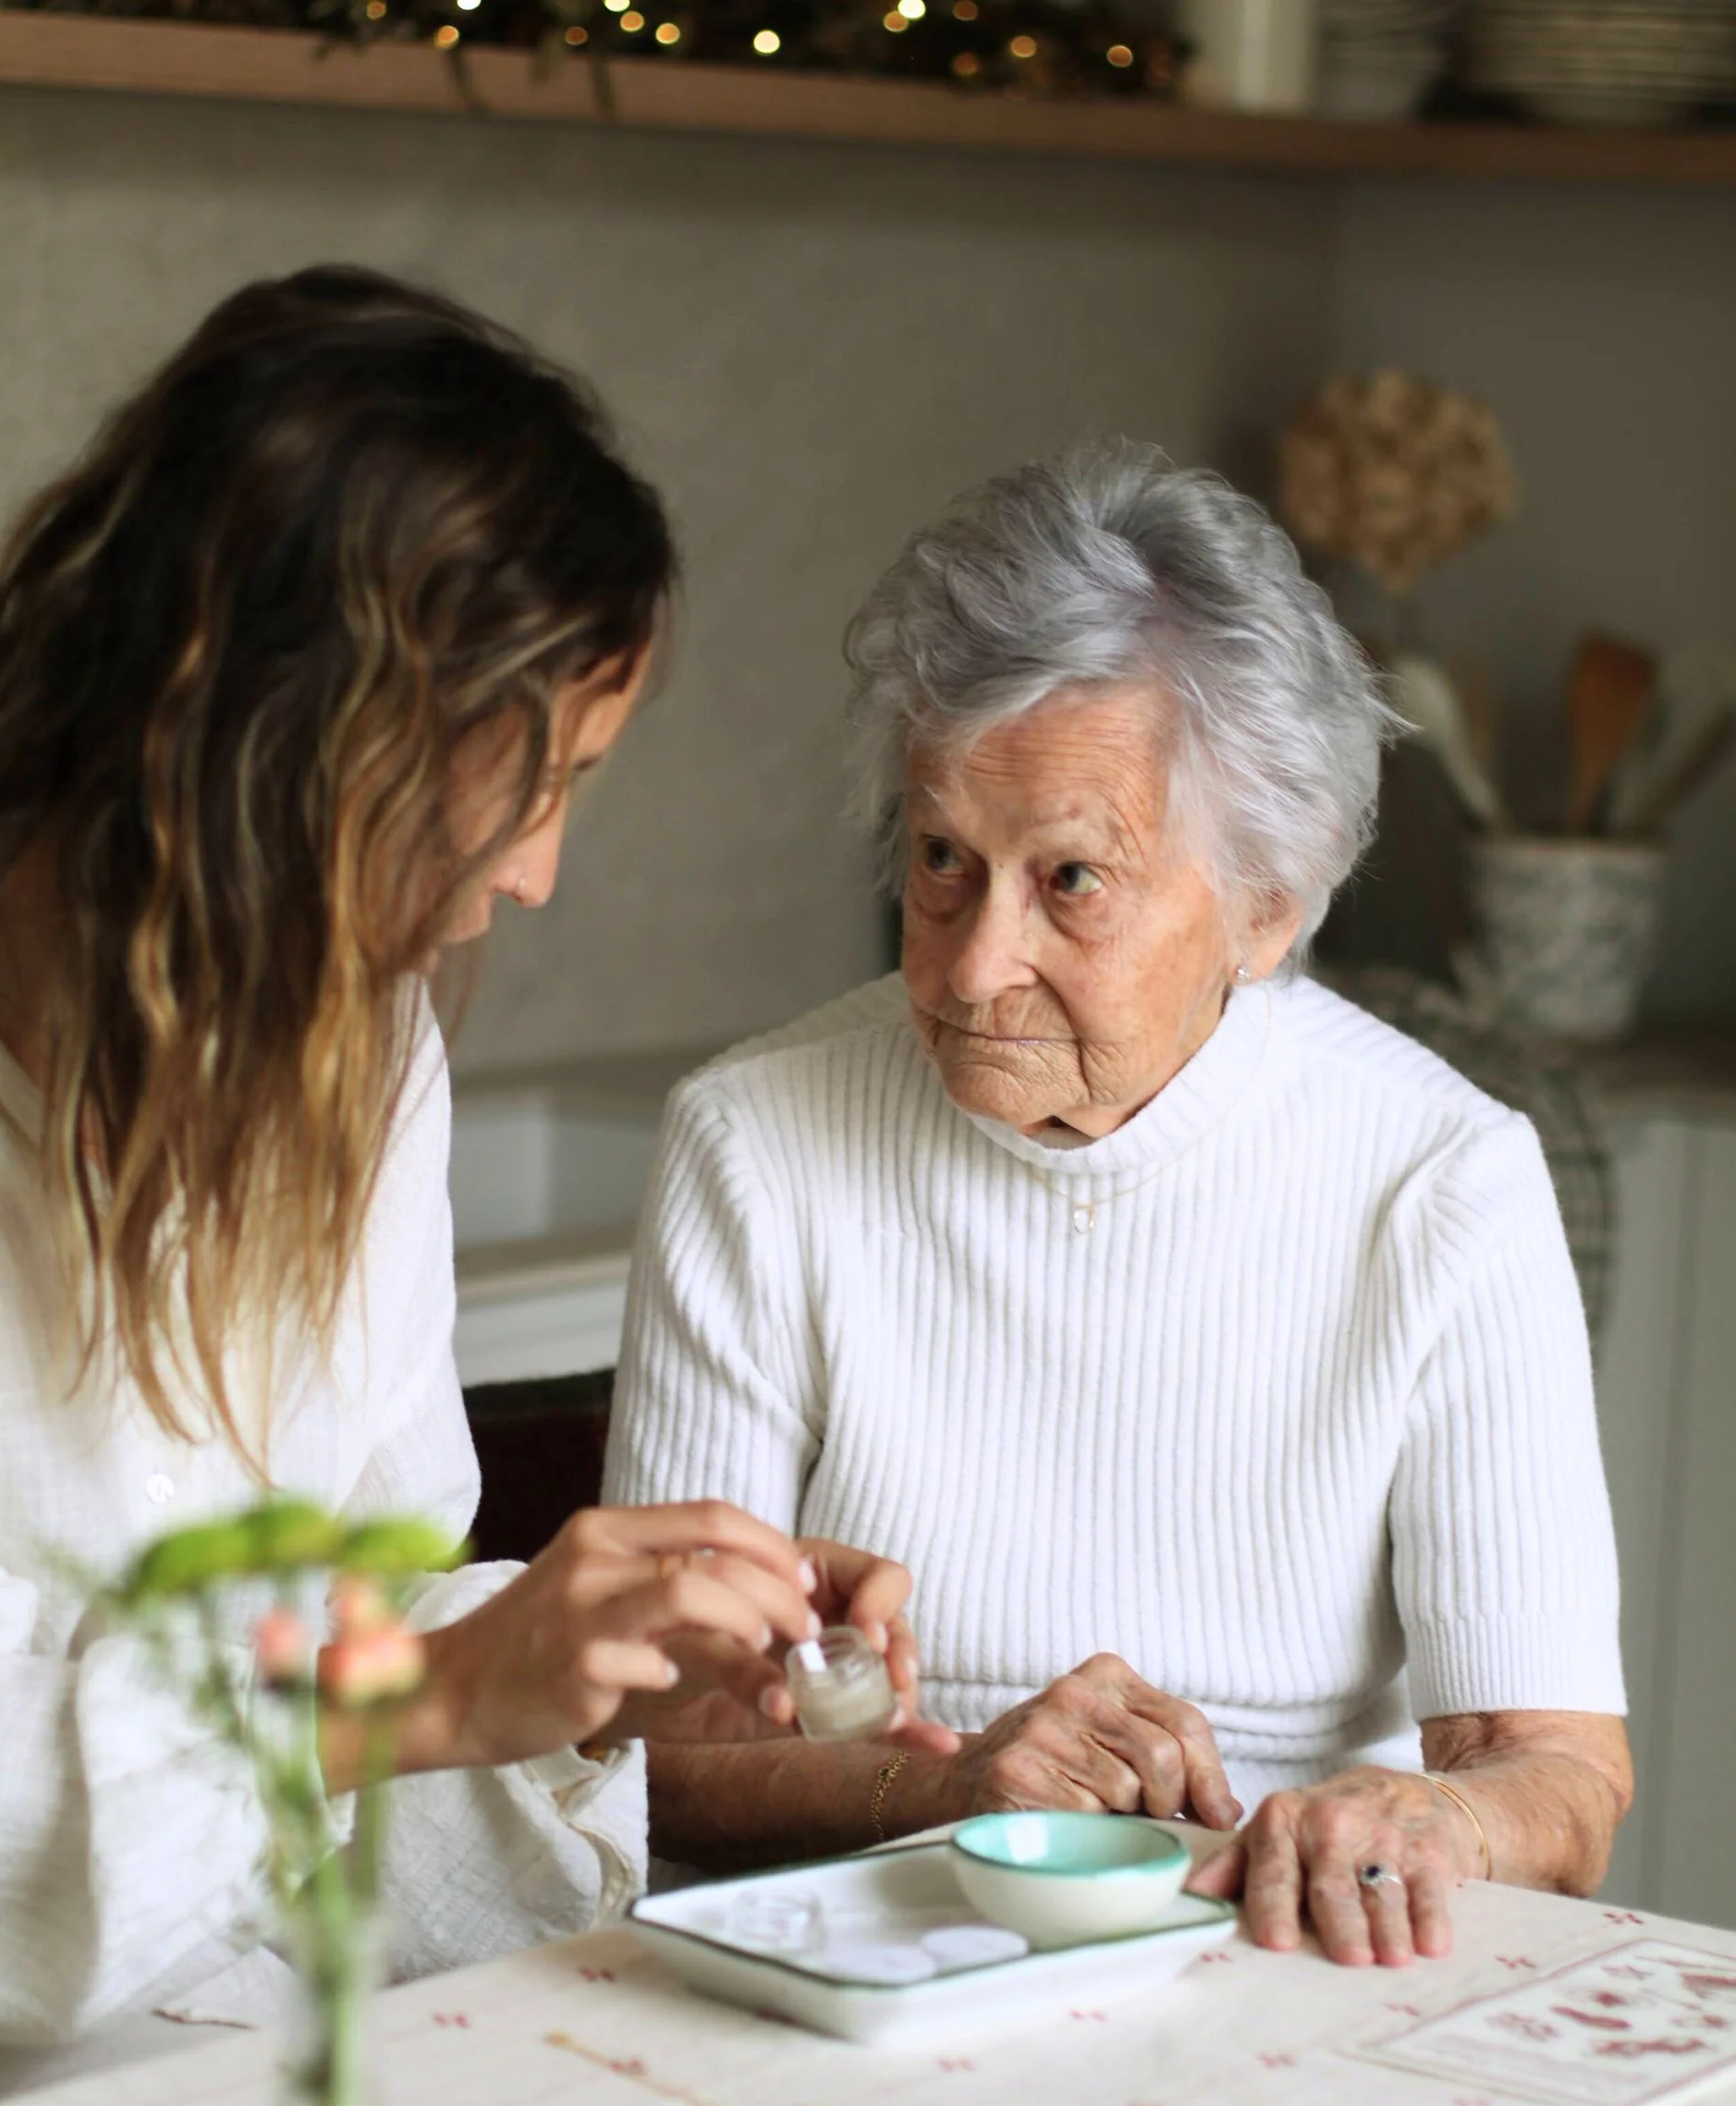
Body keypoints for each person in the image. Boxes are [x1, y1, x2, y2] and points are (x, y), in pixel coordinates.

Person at [0, 267, 936, 2106]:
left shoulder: (363, 1056)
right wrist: (431, 1688)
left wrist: (591, 1670)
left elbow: (341, 1629)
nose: (540, 872)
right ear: (300, 744)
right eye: (527, 782)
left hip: (236, 2059)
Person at [605, 445, 1634, 1969]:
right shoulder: (755, 1143)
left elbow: (1554, 1775)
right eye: (943, 860)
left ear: (1268, 908)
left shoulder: (1440, 1179)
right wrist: (945, 1785)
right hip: (870, 1963)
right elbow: (650, 1756)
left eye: (1070, 879)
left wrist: (1428, 1823)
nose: (966, 966)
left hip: (1281, 1953)